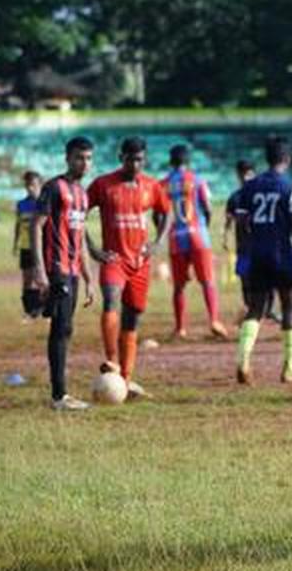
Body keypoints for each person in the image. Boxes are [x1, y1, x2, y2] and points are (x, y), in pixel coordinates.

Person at [86, 137, 171, 399]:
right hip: (114, 260)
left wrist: (158, 242)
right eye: (130, 159)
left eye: (139, 160)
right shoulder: (103, 184)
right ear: (120, 157)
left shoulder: (151, 186)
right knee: (111, 301)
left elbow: (166, 212)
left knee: (132, 317)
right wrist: (92, 249)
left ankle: (126, 379)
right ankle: (111, 361)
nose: (134, 164)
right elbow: (78, 213)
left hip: (140, 264)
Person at [233, 136, 292, 385]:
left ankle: (243, 362)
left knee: (256, 308)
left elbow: (240, 225)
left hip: (256, 255)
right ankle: (289, 369)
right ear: (287, 159)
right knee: (290, 307)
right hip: (282, 255)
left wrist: (243, 257)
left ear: (266, 159)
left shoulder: (249, 187)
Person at [30, 137, 97, 411]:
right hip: (55, 268)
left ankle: (61, 393)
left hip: (72, 272)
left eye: (89, 158)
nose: (85, 163)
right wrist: (39, 271)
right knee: (61, 328)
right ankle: (59, 396)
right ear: (68, 158)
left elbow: (79, 240)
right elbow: (37, 226)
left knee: (65, 327)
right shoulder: (53, 188)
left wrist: (90, 279)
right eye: (80, 157)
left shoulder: (83, 194)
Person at [161, 145, 228, 340]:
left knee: (179, 286)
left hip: (176, 239)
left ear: (171, 161)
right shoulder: (198, 181)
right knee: (207, 281)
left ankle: (180, 328)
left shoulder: (164, 184)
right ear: (188, 161)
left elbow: (159, 213)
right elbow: (207, 207)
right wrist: (203, 226)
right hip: (199, 237)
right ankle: (214, 320)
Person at [225, 160, 276, 324]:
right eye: (242, 174)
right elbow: (228, 222)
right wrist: (225, 237)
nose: (246, 177)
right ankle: (250, 309)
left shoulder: (261, 196)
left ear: (254, 174)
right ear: (238, 176)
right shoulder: (234, 198)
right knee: (245, 281)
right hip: (244, 248)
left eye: (249, 174)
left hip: (262, 246)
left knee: (268, 280)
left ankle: (268, 311)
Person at [14, 171, 45, 320]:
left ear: (40, 185)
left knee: (40, 278)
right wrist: (15, 243)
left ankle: (42, 309)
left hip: (40, 247)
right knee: (27, 280)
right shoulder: (21, 204)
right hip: (25, 247)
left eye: (33, 185)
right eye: (28, 185)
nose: (30, 188)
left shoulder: (44, 204)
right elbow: (18, 224)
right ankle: (29, 310)